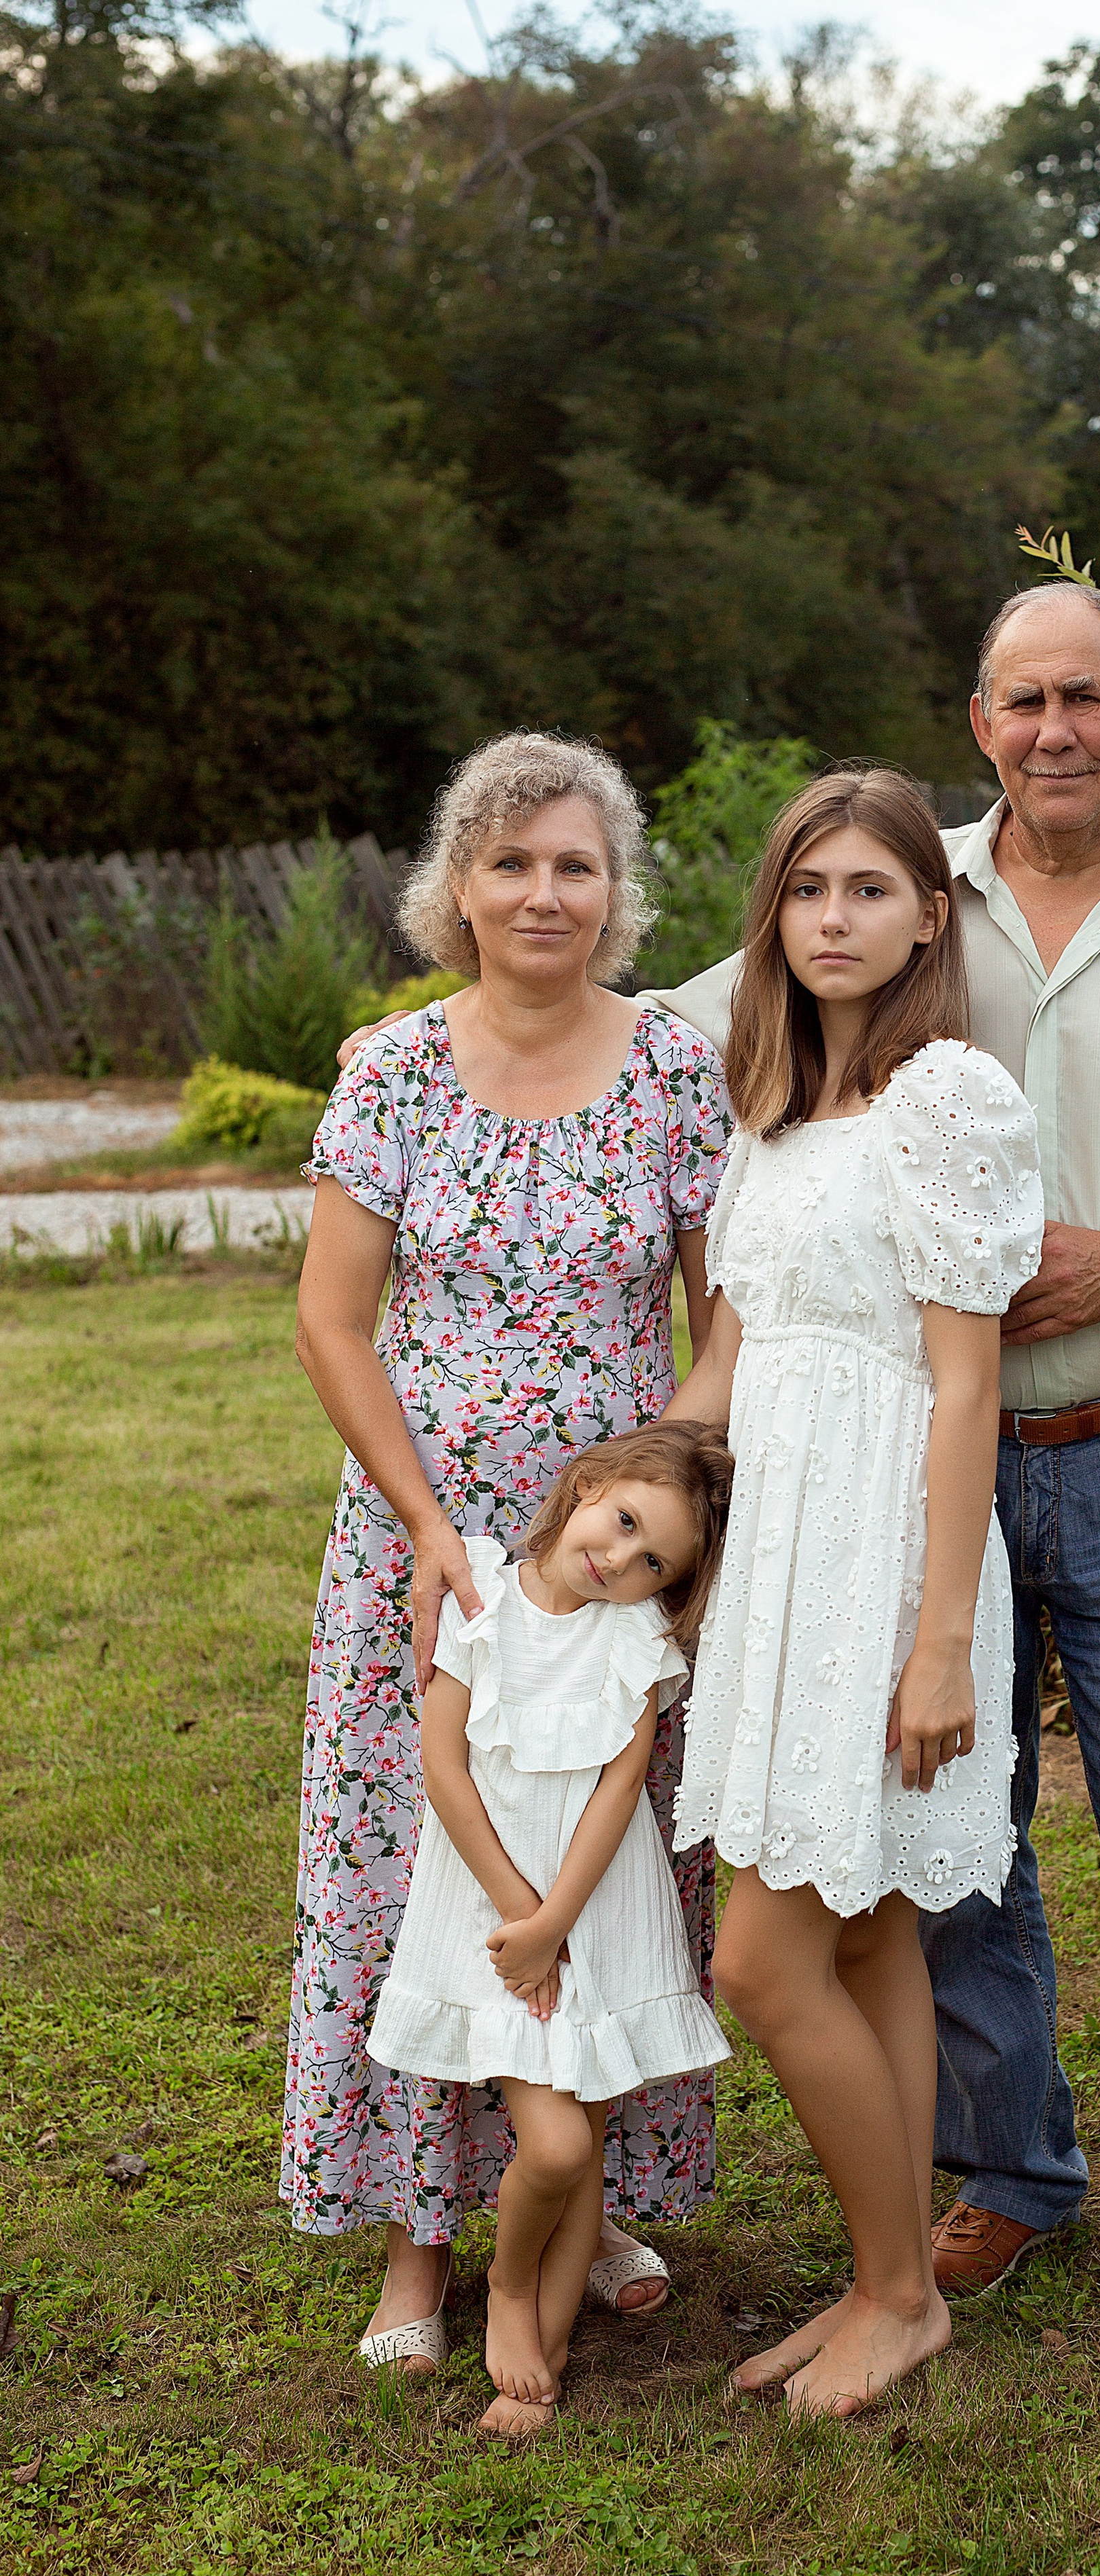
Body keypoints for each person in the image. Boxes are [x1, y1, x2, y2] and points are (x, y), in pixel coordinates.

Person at [656, 582, 1100, 2409]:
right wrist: (437, 1033)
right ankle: (1003, 2174)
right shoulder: (898, 887)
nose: (1054, 729)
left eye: (1086, 698)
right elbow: (692, 1010)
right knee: (937, 1871)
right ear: (981, 722)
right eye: (1021, 700)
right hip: (904, 1487)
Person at [289, 729, 731, 2375]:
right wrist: (421, 1525)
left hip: (616, 1555)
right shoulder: (392, 1071)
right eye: (511, 862)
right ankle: (416, 2239)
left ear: (616, 893)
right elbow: (334, 1324)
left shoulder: (677, 1068)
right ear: (455, 888)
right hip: (439, 1552)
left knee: (613, 1869)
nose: (544, 892)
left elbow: (720, 1308)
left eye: (576, 864)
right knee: (411, 1873)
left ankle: (591, 2194)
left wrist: (666, 1490)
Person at [663, 767, 1044, 2416]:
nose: (834, 918)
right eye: (808, 889)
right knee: (874, 1934)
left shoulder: (945, 1097)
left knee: (758, 1963)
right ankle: (884, 2271)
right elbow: (722, 1371)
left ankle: (903, 2296)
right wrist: (595, 1538)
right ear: (776, 913)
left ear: (927, 915)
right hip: (780, 1555)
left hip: (891, 1556)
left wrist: (940, 1640)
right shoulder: (773, 1115)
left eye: (869, 889)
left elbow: (968, 1390)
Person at [368, 1423, 735, 2438]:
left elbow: (622, 1795)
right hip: (492, 1915)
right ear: (586, 1487)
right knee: (560, 2147)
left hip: (597, 1920)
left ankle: (546, 2350)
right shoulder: (482, 1598)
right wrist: (521, 1922)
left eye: (652, 1559)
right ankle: (508, 2285)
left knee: (588, 2143)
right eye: (621, 1523)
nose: (620, 1559)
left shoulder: (635, 1641)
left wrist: (559, 1920)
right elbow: (444, 1768)